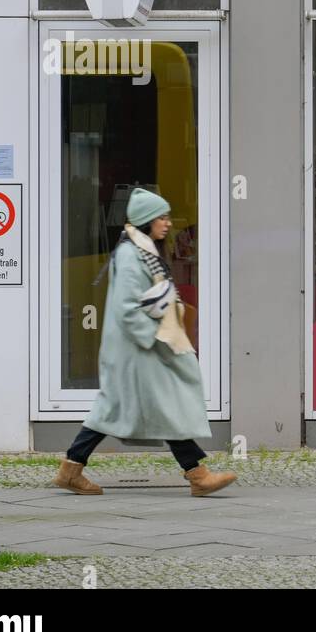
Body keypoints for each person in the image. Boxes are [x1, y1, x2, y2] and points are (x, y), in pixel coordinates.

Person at [52, 187, 236, 497]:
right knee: (155, 406)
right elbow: (127, 308)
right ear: (146, 220)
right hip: (137, 349)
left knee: (121, 409)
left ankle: (71, 469)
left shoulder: (140, 250)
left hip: (137, 348)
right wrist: (154, 338)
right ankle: (198, 475)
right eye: (161, 217)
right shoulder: (130, 254)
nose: (167, 223)